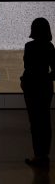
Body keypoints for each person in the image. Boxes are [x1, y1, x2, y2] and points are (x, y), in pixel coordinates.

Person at [21, 17, 55, 167]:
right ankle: (44, 155)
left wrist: (25, 81)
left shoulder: (29, 46)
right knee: (45, 121)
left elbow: (28, 67)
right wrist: (46, 78)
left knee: (35, 122)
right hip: (45, 87)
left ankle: (38, 156)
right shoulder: (50, 47)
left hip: (32, 87)